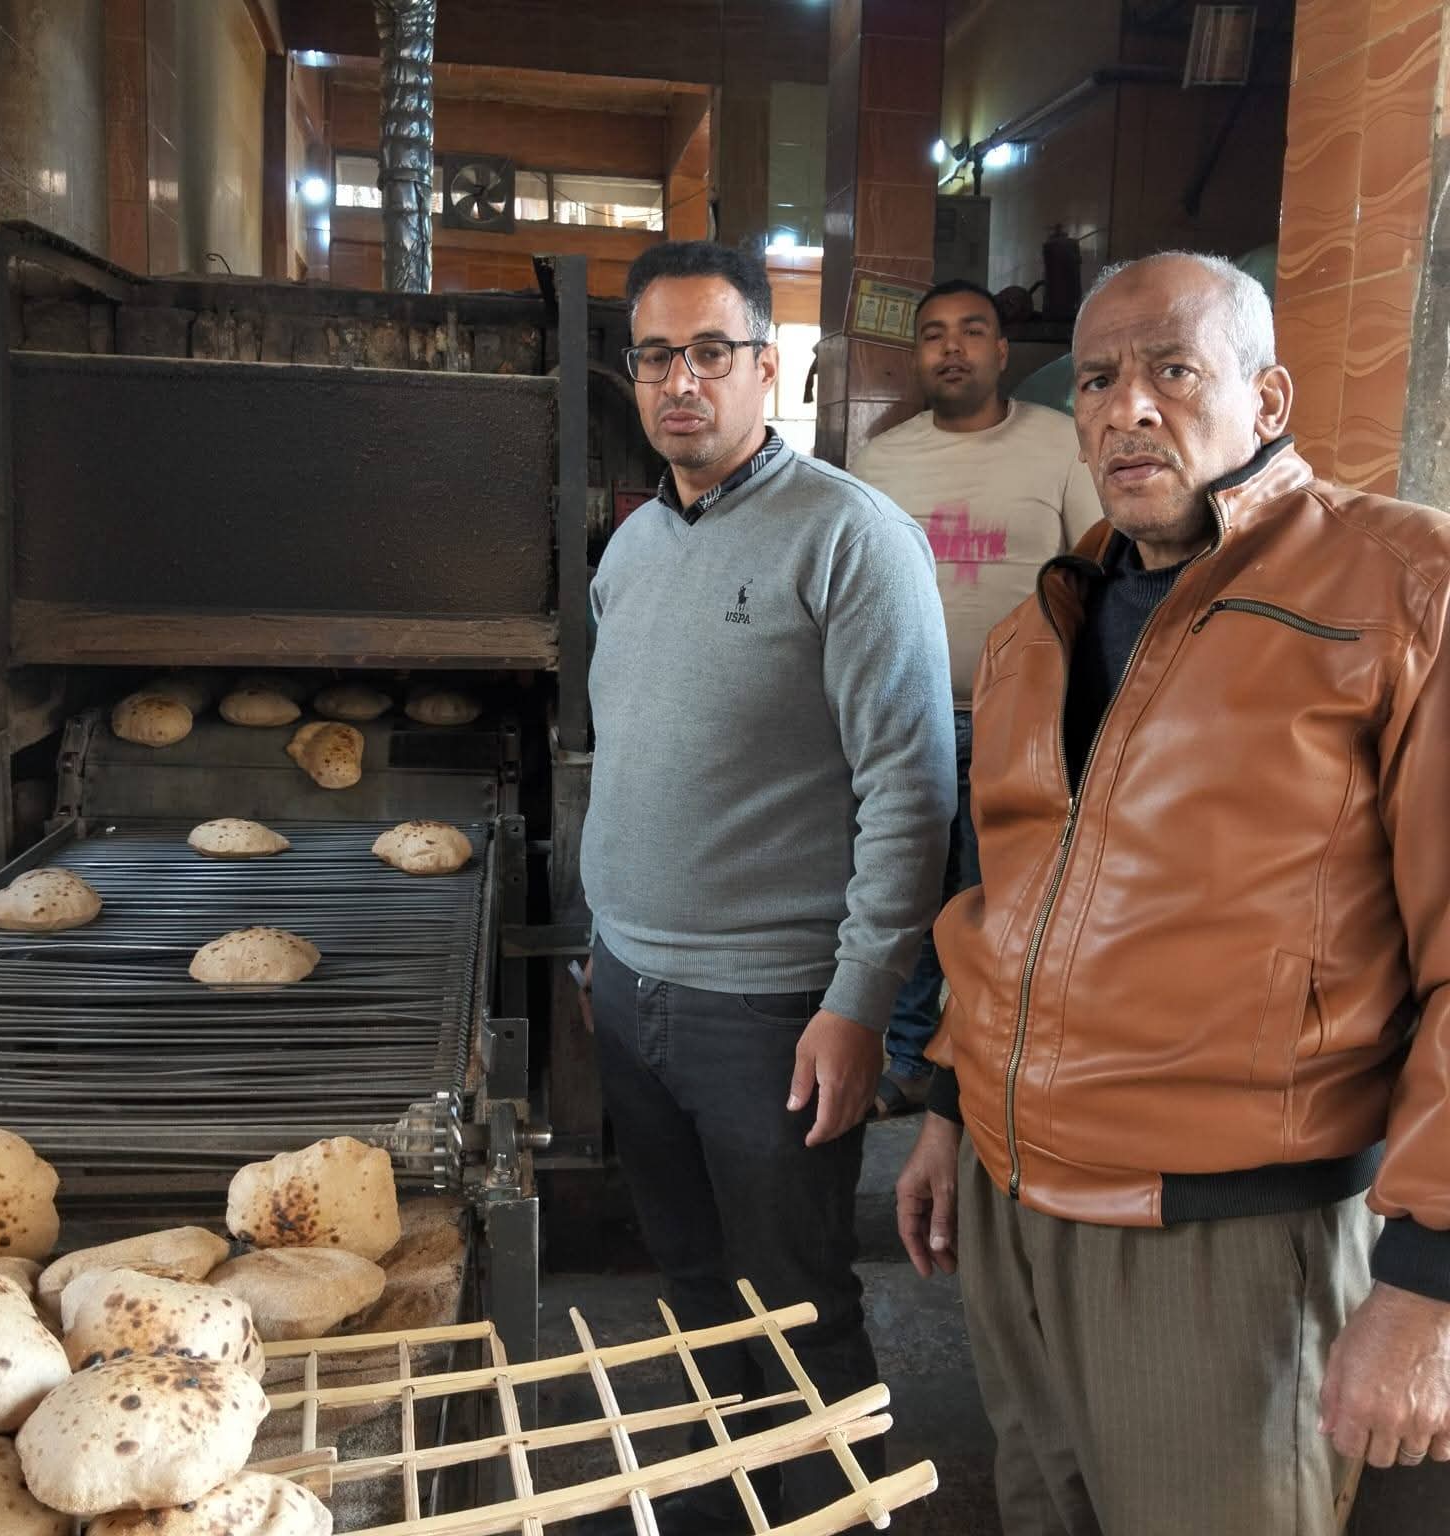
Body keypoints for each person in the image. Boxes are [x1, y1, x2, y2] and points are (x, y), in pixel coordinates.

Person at [895, 250, 1450, 1536]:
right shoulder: (1044, 624)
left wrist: (1428, 1280)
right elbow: (1007, 900)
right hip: (1014, 1210)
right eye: (1097, 379)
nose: (1127, 407)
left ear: (1269, 398)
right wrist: (946, 1109)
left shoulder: (1402, 590)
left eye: (1174, 370)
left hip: (1225, 1236)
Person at [581, 239, 955, 1526]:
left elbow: (911, 791)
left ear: (768, 366)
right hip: (629, 988)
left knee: (799, 1307)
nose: (680, 381)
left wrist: (859, 1003)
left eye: (710, 351)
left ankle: (833, 1513)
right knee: (692, 1290)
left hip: (772, 1011)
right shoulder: (633, 548)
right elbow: (632, 757)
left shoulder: (852, 538)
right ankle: (723, 1508)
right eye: (655, 356)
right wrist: (601, 948)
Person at [849, 279, 1101, 1116]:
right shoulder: (880, 463)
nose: (951, 347)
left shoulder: (1061, 445)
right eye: (933, 334)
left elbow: (1098, 568)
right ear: (916, 356)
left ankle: (996, 1069)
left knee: (1009, 901)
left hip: (1024, 724)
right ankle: (910, 1057)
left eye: (971, 331)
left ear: (1001, 351)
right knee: (910, 898)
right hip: (908, 724)